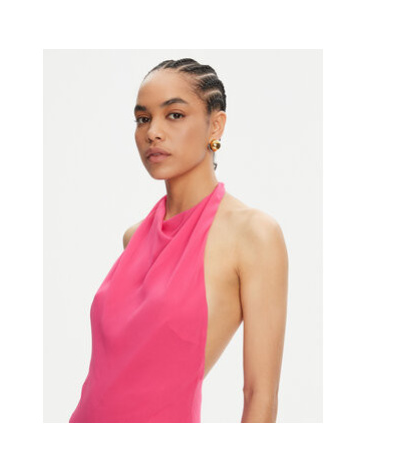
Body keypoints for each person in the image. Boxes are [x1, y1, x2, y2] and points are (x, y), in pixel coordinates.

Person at [69, 58, 288, 423]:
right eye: (143, 119)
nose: (153, 132)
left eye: (174, 115)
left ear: (215, 124)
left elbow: (260, 395)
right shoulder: (134, 237)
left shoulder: (253, 235)